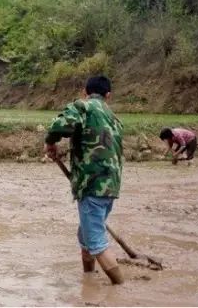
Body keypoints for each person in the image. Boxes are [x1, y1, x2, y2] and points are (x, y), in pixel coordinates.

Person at [44, 76, 124, 285]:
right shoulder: (114, 117)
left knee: (96, 241)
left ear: (84, 92)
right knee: (86, 236)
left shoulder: (83, 107)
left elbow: (59, 126)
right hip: (111, 187)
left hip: (91, 186)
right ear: (108, 96)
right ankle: (88, 276)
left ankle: (120, 288)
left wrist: (50, 143)